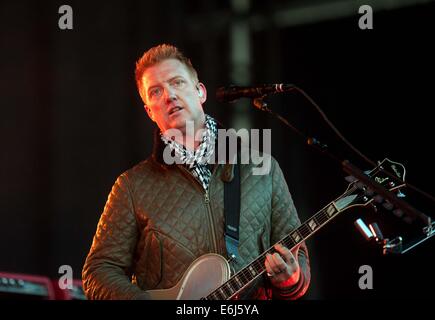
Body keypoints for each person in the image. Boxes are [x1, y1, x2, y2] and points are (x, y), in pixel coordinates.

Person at [82, 44, 311, 300]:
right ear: (149, 111)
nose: (169, 95)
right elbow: (98, 272)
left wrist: (292, 279)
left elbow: (297, 255)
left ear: (200, 91)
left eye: (177, 82)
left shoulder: (263, 168)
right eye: (155, 91)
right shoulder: (131, 186)